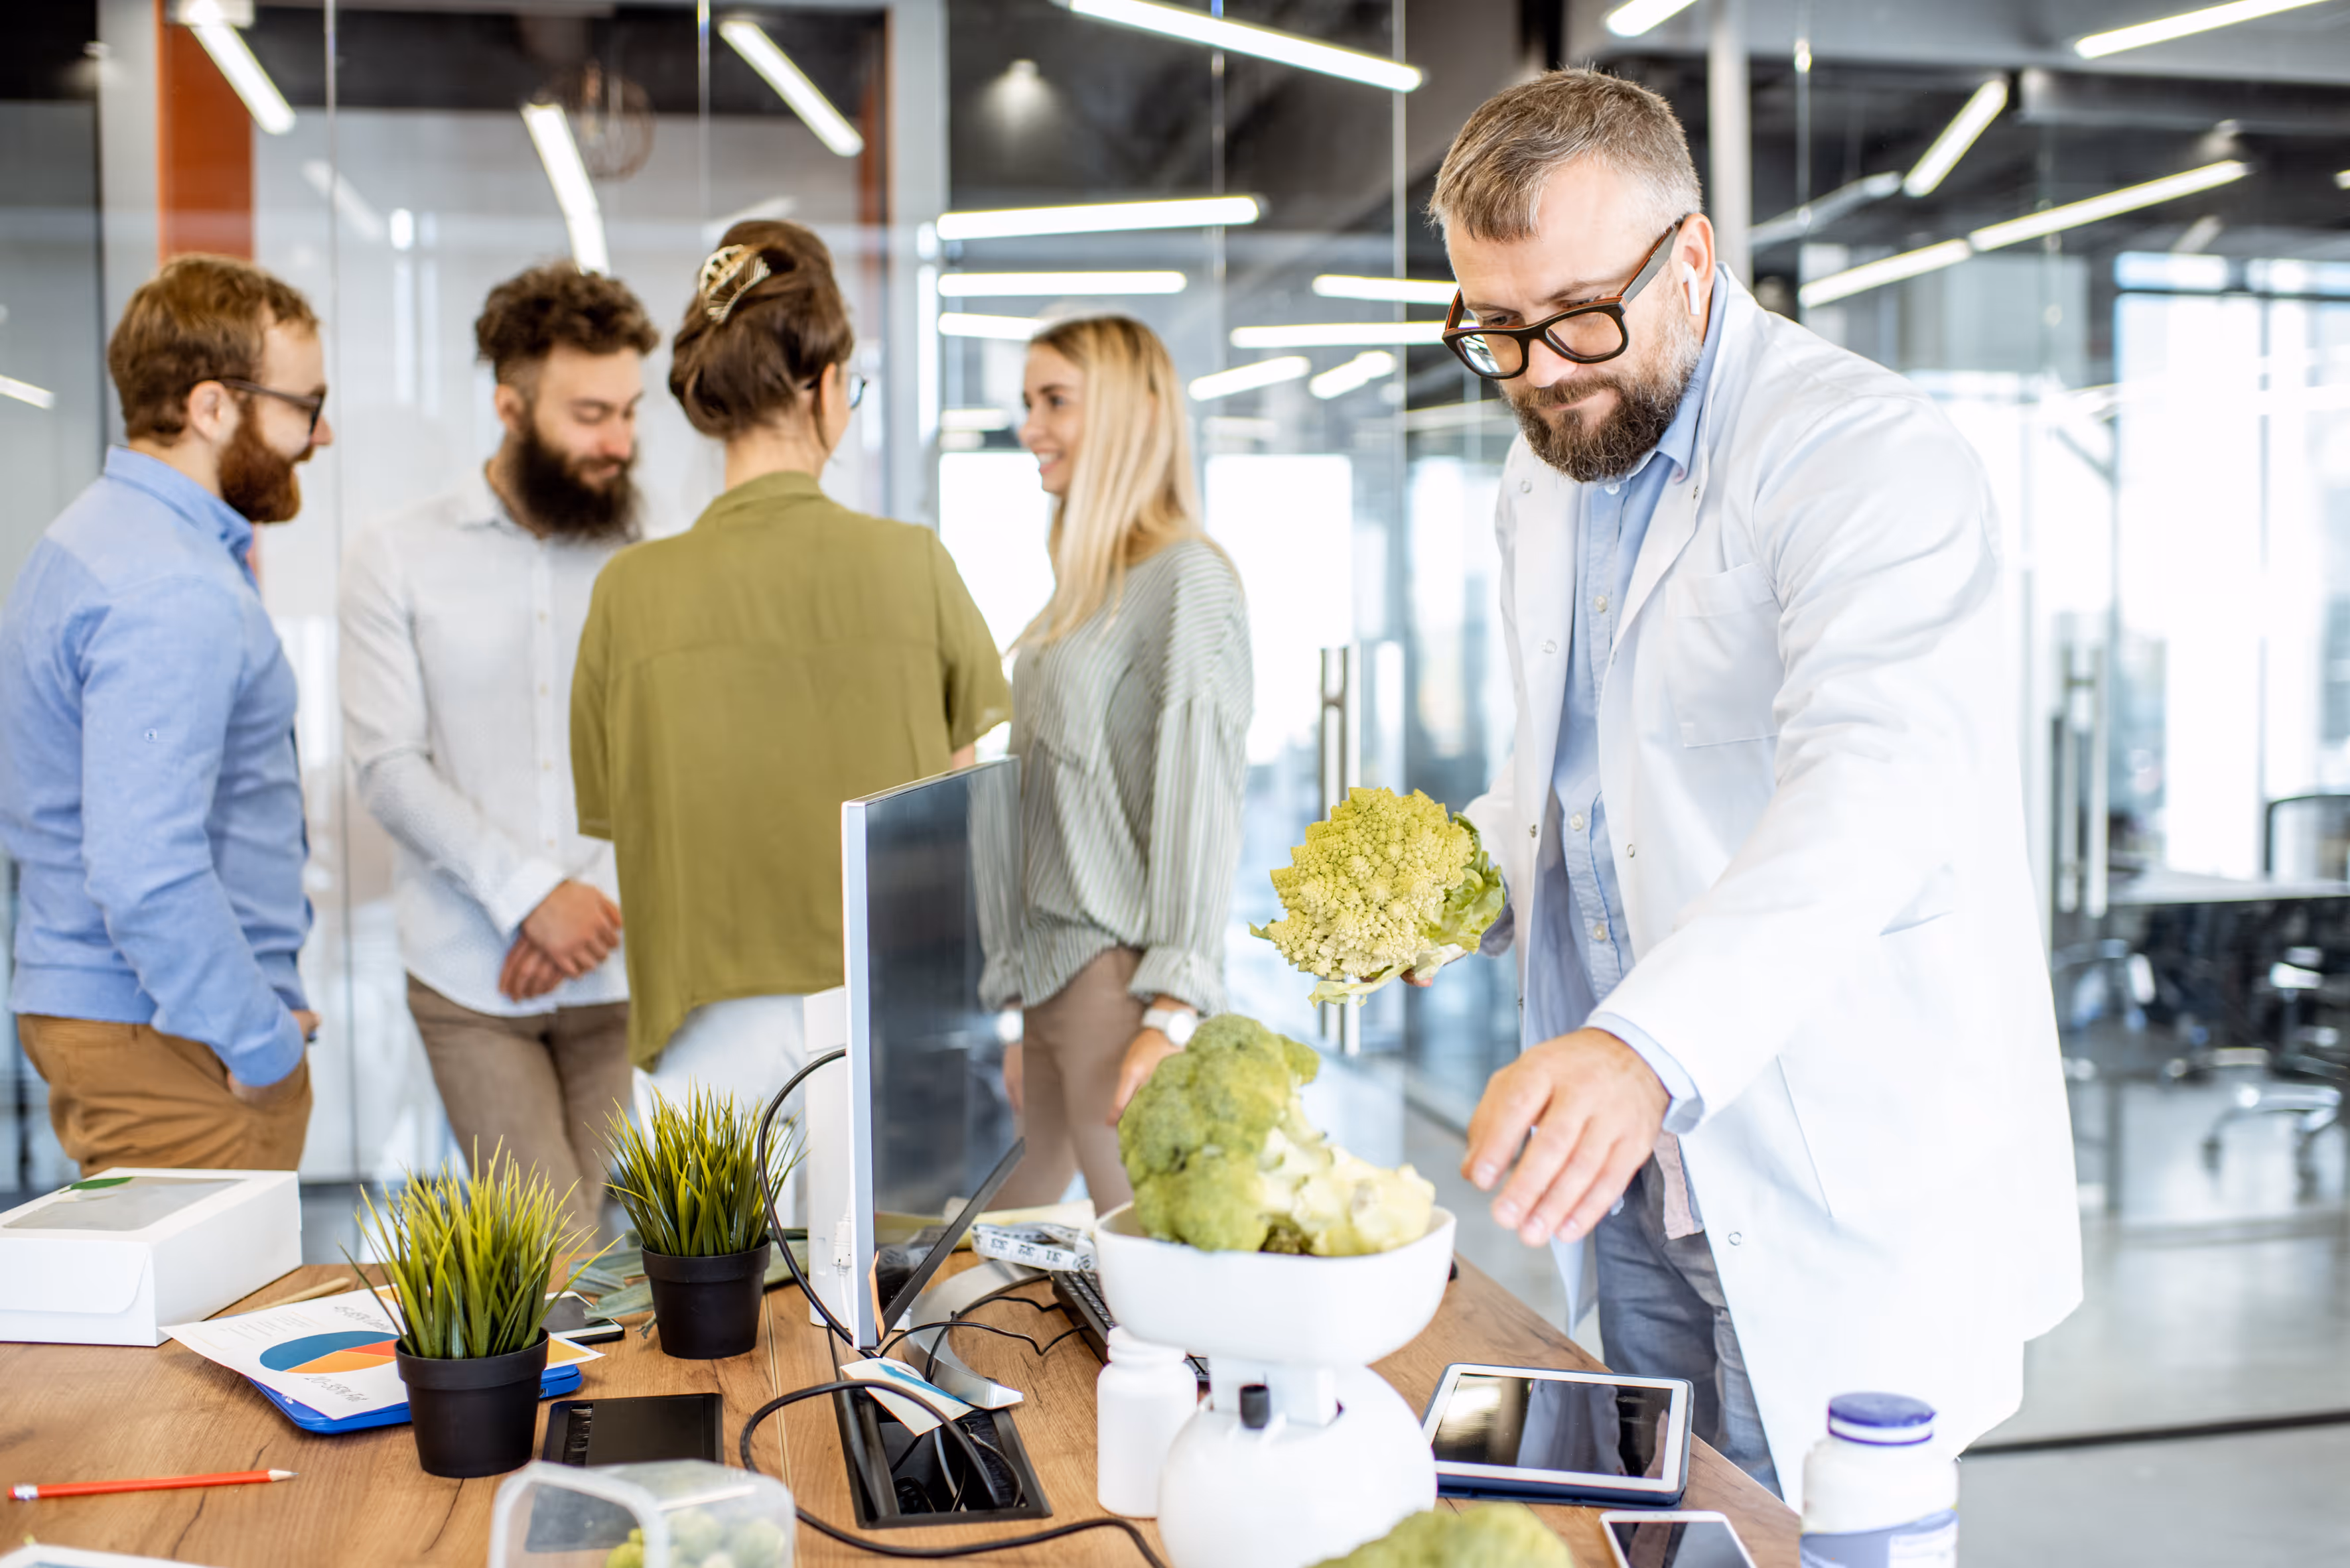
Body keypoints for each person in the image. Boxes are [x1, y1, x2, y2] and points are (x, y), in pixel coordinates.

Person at [1422, 72, 2081, 1498]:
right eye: (1497, 330)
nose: (1543, 372)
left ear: (1693, 258)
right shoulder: (1551, 469)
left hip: (1823, 1150)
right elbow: (1577, 781)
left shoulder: (1861, 454)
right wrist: (1456, 882)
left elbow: (1873, 792)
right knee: (1662, 1520)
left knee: (1817, 1528)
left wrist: (1645, 1049)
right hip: (1633, 1175)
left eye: (1580, 314)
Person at [571, 221, 1010, 1106]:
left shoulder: (627, 592)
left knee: (710, 1210)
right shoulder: (913, 565)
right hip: (885, 1015)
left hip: (698, 1031)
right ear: (827, 385)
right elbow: (957, 807)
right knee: (889, 1208)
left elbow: (621, 814)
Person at [340, 263, 658, 1234]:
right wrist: (531, 898)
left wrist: (586, 905)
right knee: (557, 1247)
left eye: (630, 413)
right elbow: (388, 766)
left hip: (622, 967)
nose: (619, 443)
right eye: (590, 414)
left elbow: (670, 755)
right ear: (509, 407)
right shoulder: (397, 553)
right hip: (469, 975)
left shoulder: (654, 555)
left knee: (628, 1258)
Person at [0, 254, 330, 1175]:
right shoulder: (168, 586)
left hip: (147, 1022)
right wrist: (262, 1045)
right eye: (305, 404)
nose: (321, 433)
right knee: (215, 1279)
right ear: (212, 407)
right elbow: (145, 868)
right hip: (179, 1044)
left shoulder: (100, 539)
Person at [990, 316, 1251, 1212]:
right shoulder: (1085, 590)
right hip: (1054, 982)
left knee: (1149, 1264)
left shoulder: (1186, 579)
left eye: (1055, 401)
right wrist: (1022, 1012)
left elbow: (1198, 805)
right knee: (998, 1243)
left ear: (1135, 413)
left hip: (1118, 985)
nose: (1031, 427)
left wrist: (1171, 1012)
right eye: (1029, 402)